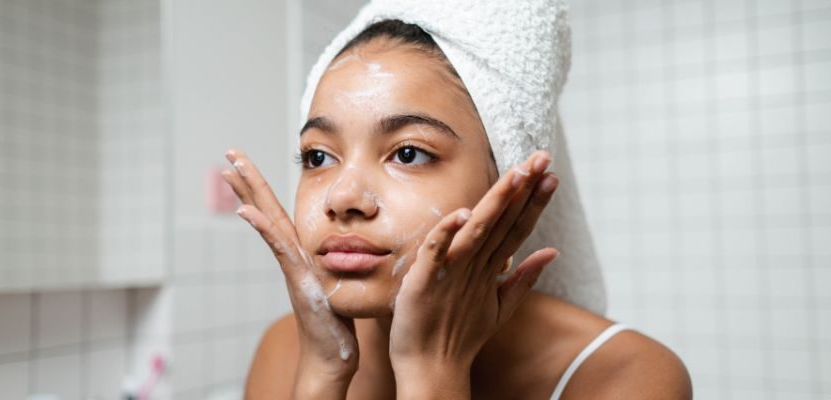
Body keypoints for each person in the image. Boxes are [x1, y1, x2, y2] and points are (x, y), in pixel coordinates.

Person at [222, 15, 691, 400]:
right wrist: (322, 377)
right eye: (318, 156)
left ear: (509, 184)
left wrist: (432, 371)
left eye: (407, 153)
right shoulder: (287, 351)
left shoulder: (623, 376)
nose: (342, 198)